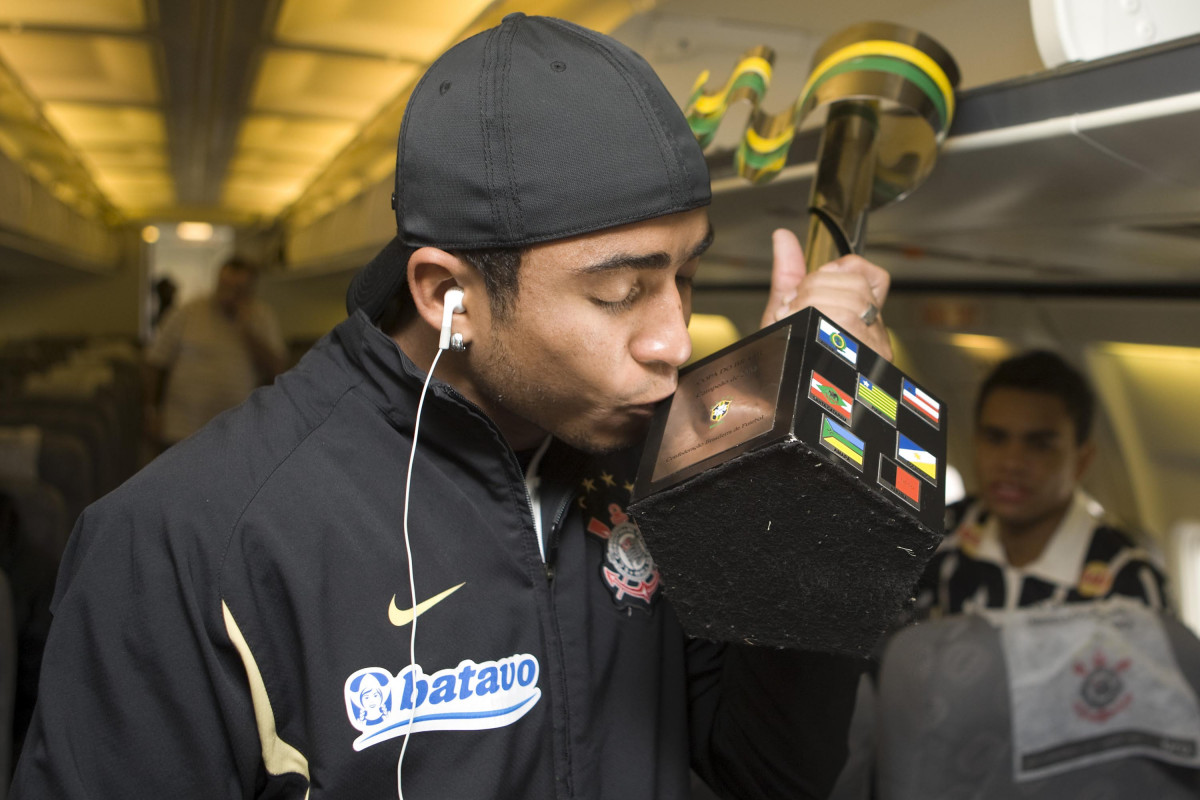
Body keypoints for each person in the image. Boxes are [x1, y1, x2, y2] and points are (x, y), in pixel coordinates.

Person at [14, 14, 894, 799]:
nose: (675, 340)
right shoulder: (183, 545)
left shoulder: (671, 456)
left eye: (688, 277)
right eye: (624, 291)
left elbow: (774, 771)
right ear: (447, 295)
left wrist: (816, 458)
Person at [917, 350, 1167, 617]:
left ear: (1082, 460)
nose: (1011, 463)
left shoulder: (1125, 578)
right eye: (995, 438)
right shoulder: (941, 535)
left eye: (1039, 445)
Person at [144, 257, 287, 448]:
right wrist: (151, 410)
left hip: (236, 432)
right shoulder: (187, 312)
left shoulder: (262, 317)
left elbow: (278, 369)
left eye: (238, 289)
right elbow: (156, 362)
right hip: (183, 429)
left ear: (250, 290)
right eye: (224, 286)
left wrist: (247, 331)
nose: (229, 295)